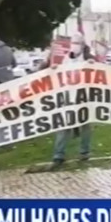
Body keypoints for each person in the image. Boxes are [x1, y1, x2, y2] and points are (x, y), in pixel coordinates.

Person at [45, 33, 95, 169]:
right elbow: (45, 69)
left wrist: (93, 65)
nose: (75, 46)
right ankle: (58, 155)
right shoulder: (63, 58)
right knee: (64, 125)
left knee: (85, 125)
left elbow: (98, 71)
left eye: (78, 43)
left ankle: (84, 152)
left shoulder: (88, 58)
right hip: (67, 96)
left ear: (83, 45)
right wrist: (53, 68)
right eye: (74, 43)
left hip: (83, 96)